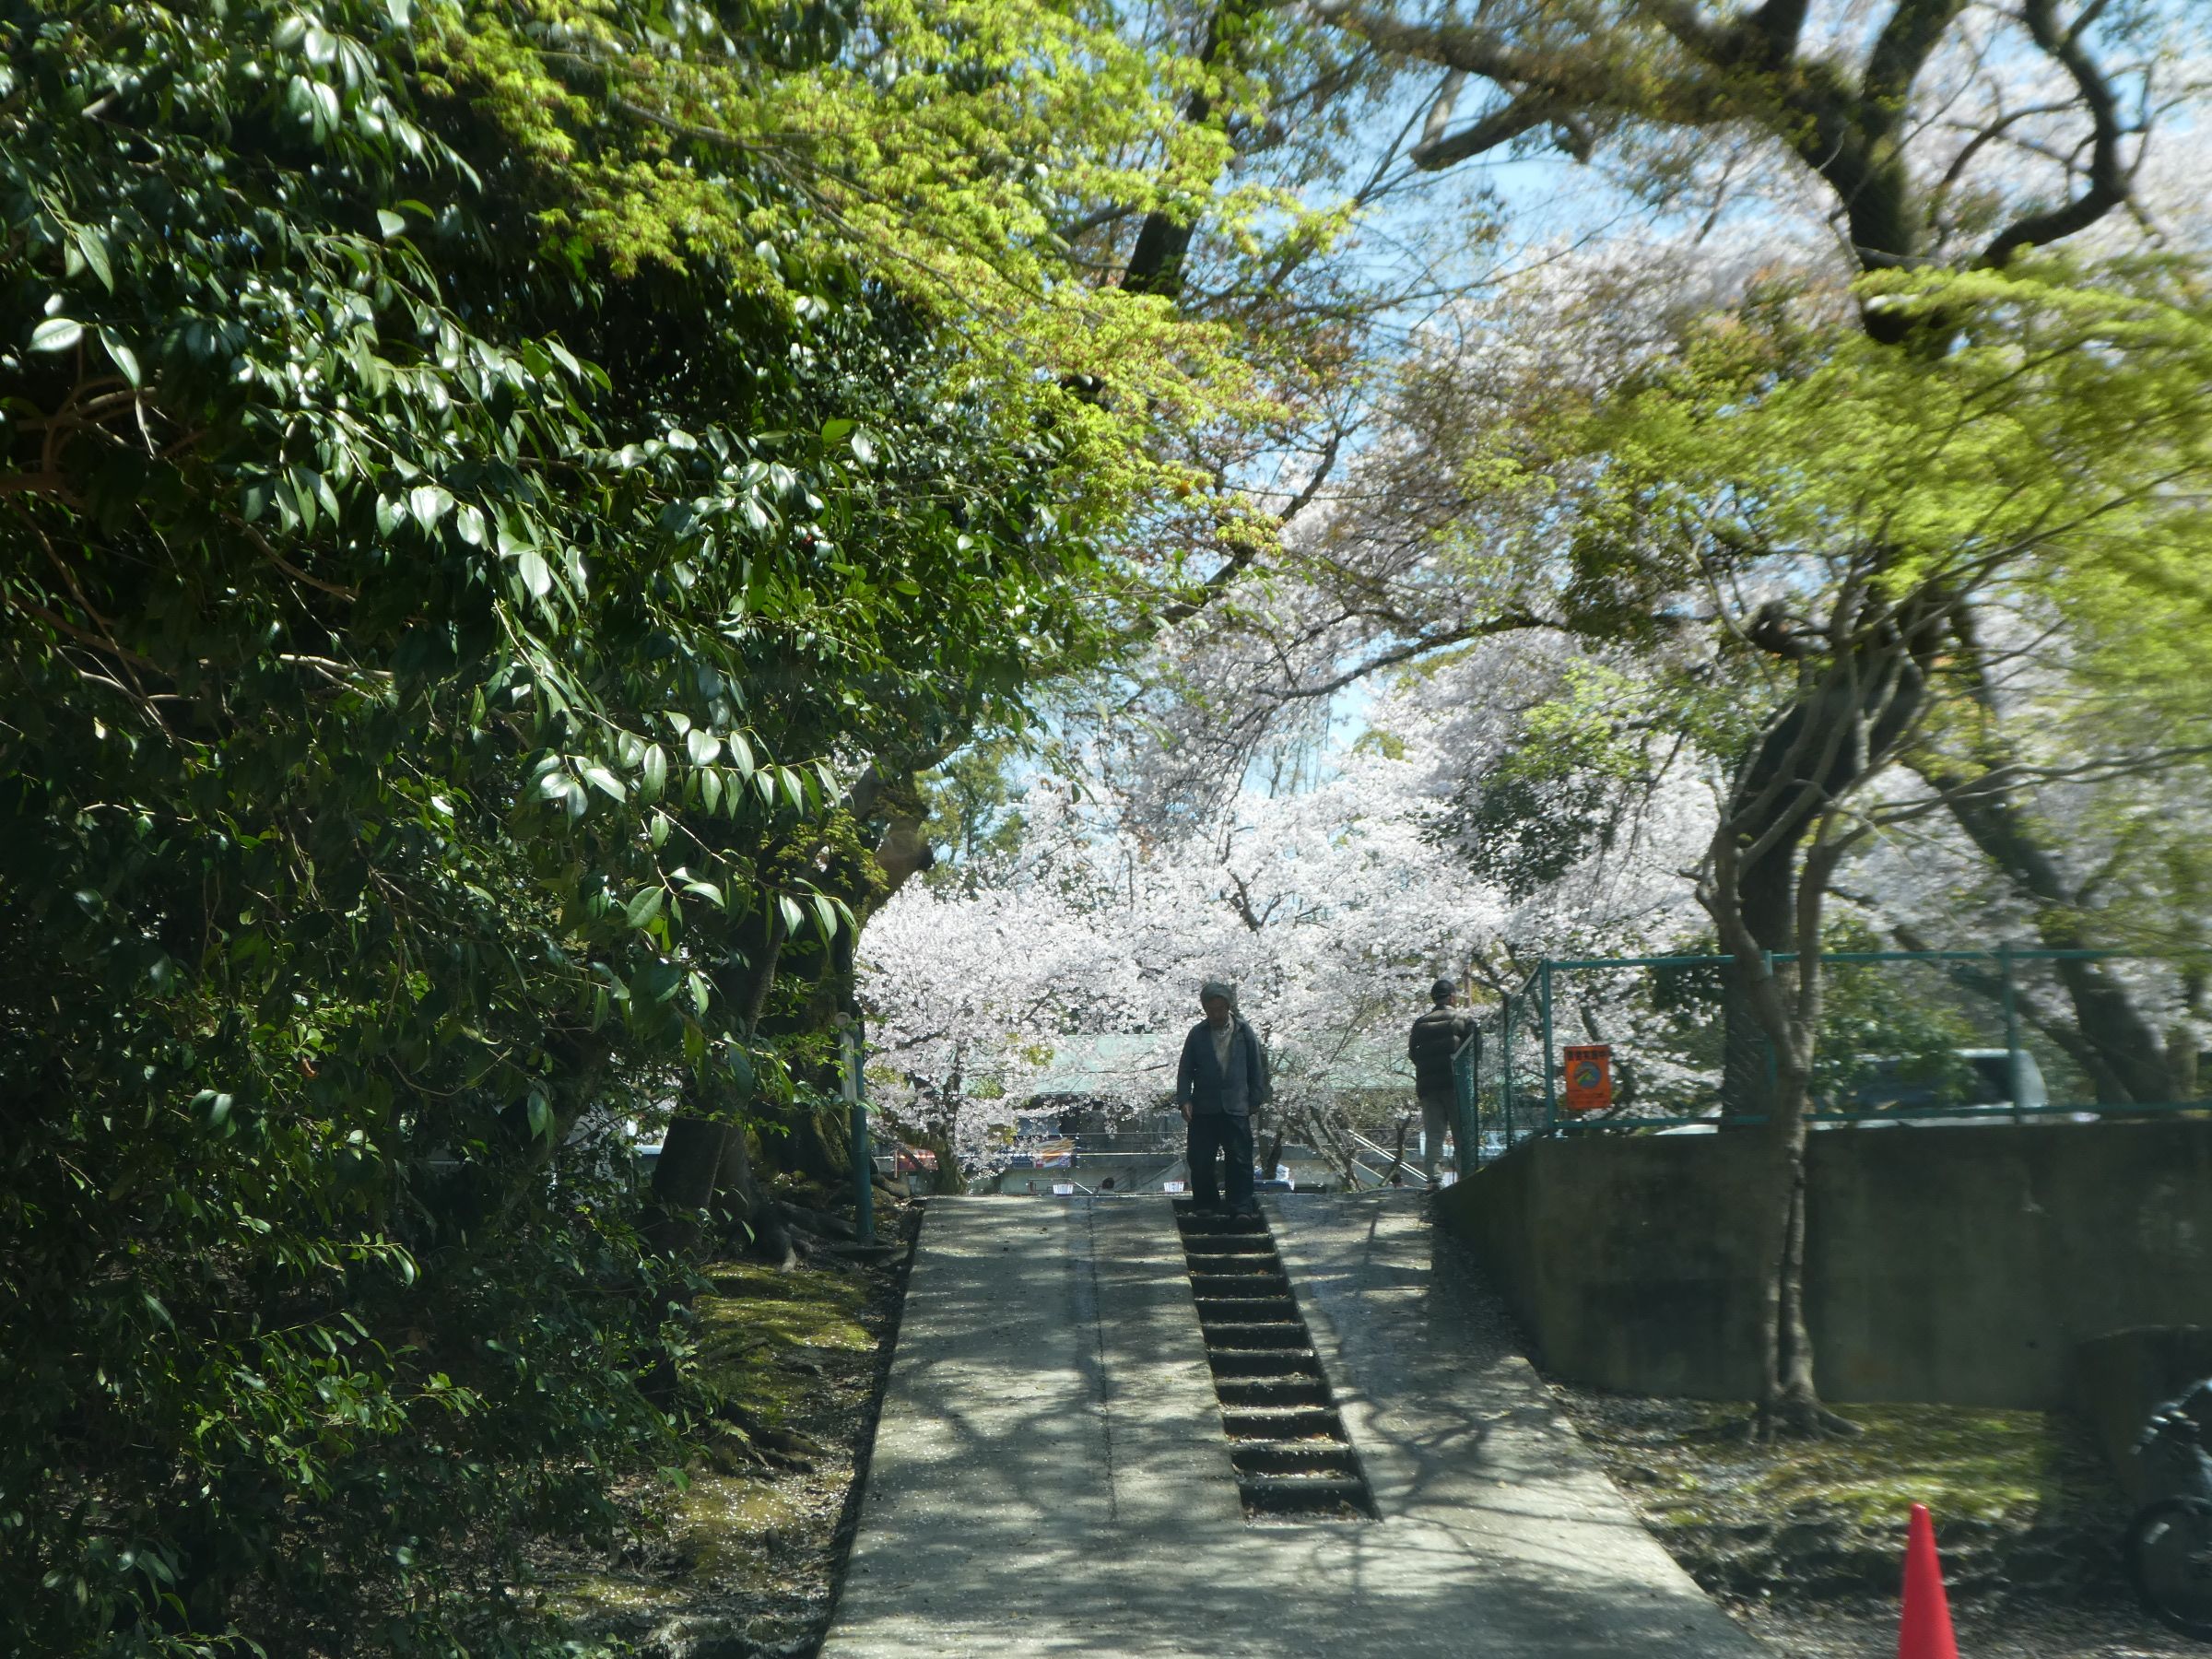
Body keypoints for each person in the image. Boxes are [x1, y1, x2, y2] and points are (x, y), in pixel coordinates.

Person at [1174, 980, 1273, 1217]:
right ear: (1205, 1009)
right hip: (1204, 1107)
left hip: (1236, 1106)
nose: (1216, 1014)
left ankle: (1241, 1206)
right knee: (1201, 1159)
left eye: (1221, 1009)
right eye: (1211, 1009)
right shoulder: (1197, 1034)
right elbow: (1185, 1069)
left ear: (1228, 1007)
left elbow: (1255, 1067)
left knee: (1240, 1159)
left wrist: (1256, 1098)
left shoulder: (1244, 1031)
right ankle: (1206, 1204)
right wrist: (1184, 1099)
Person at [1407, 977, 1477, 1186]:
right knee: (1461, 1134)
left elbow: (1413, 1054)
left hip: (1428, 1087)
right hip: (1455, 1085)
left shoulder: (1420, 1023)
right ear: (1453, 997)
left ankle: (1434, 1179)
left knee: (1434, 1135)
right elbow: (1474, 1051)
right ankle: (1466, 1177)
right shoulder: (1463, 1020)